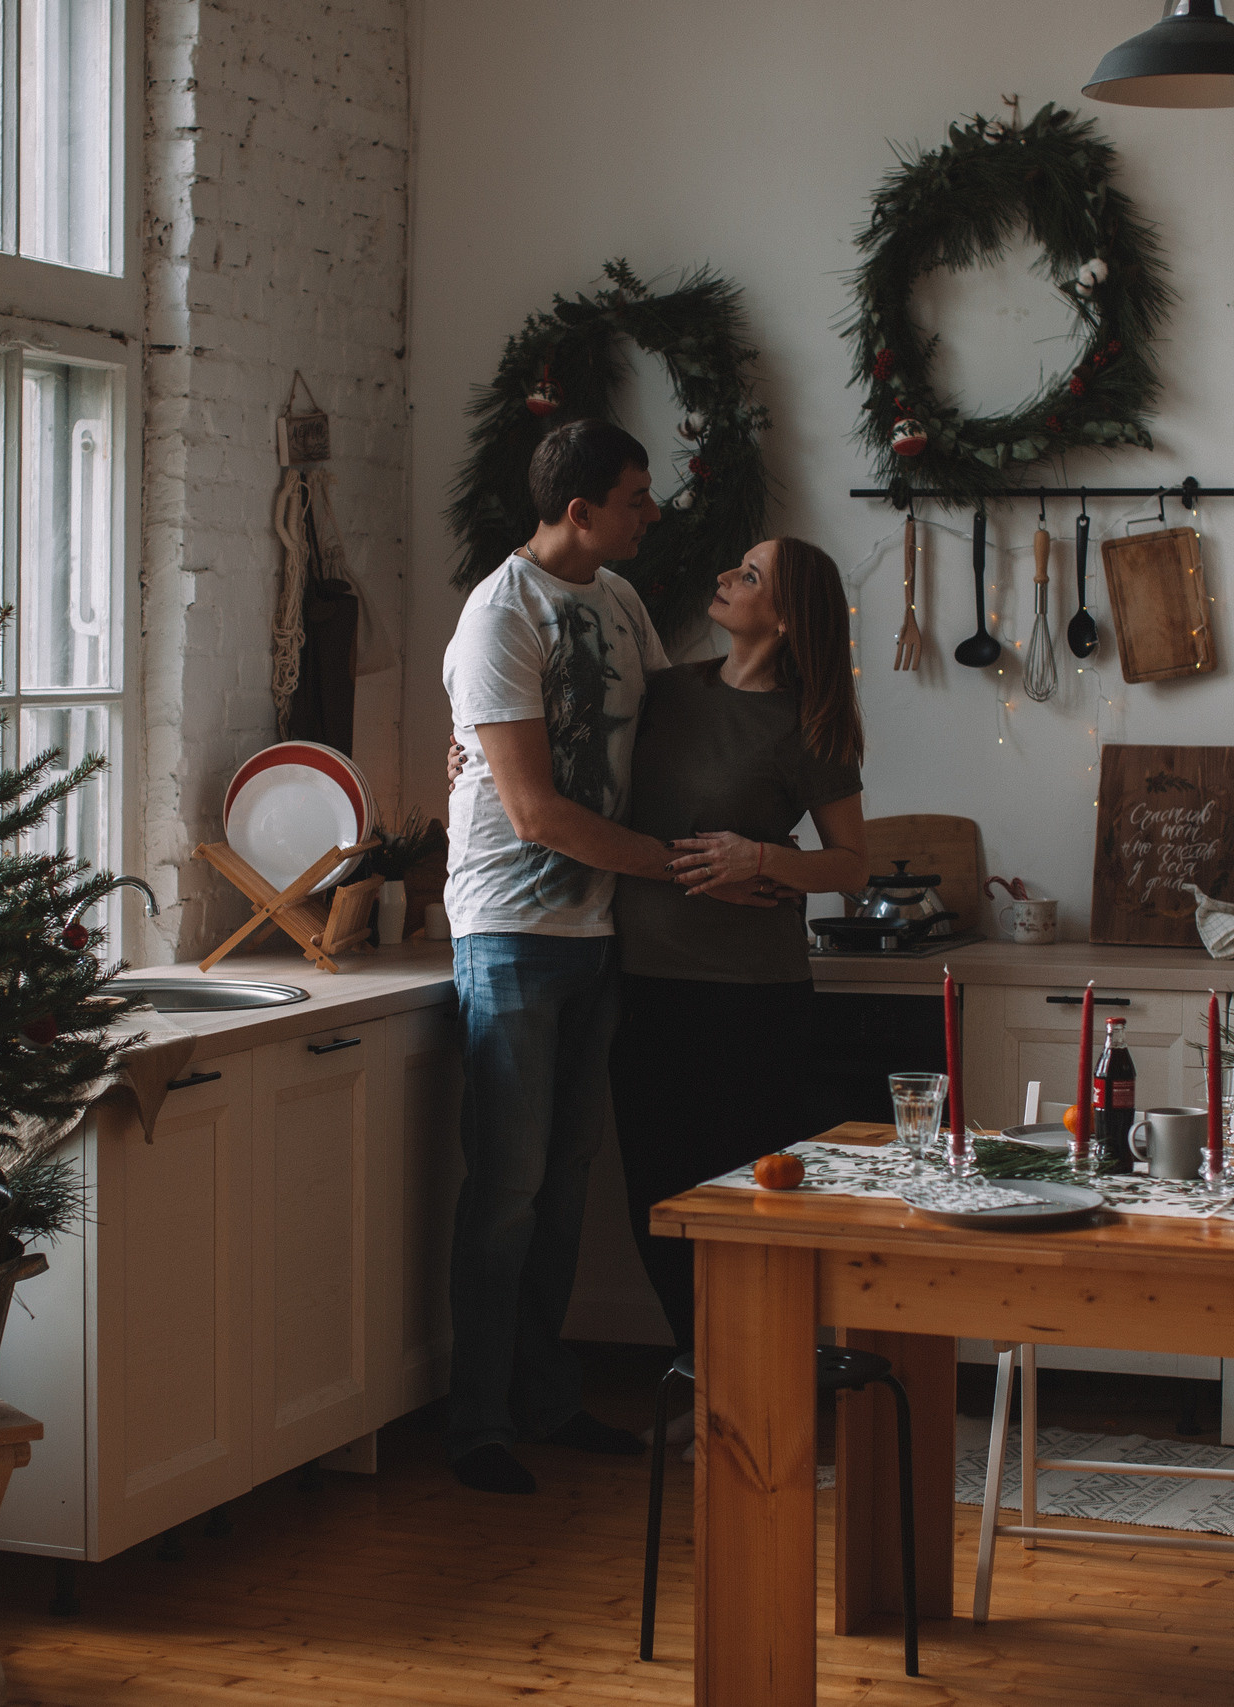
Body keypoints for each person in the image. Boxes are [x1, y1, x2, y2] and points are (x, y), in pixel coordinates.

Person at [438, 420, 774, 1496]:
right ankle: (478, 1424)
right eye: (635, 497)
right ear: (579, 512)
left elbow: (671, 725)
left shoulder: (618, 600)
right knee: (506, 1188)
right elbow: (536, 814)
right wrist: (685, 868)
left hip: (598, 931)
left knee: (566, 1184)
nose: (652, 512)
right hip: (510, 932)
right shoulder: (500, 615)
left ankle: (546, 1400)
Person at [610, 538, 871, 1355]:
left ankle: (753, 1375)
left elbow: (852, 865)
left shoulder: (809, 725)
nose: (724, 576)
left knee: (743, 1203)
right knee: (656, 1200)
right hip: (643, 984)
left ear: (785, 619)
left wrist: (761, 858)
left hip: (752, 1001)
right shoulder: (665, 693)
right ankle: (704, 1369)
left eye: (749, 575)